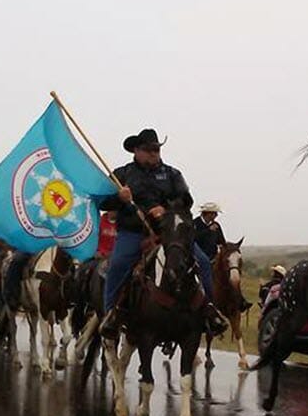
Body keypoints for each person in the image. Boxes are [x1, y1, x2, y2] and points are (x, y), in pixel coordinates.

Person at [97, 128, 226, 339]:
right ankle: (110, 314)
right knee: (118, 265)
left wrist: (166, 209)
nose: (154, 153)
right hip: (133, 232)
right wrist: (119, 197)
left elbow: (186, 200)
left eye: (156, 149)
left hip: (168, 234)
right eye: (149, 150)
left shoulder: (172, 174)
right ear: (136, 151)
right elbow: (103, 202)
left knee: (202, 262)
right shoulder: (121, 174)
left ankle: (211, 312)